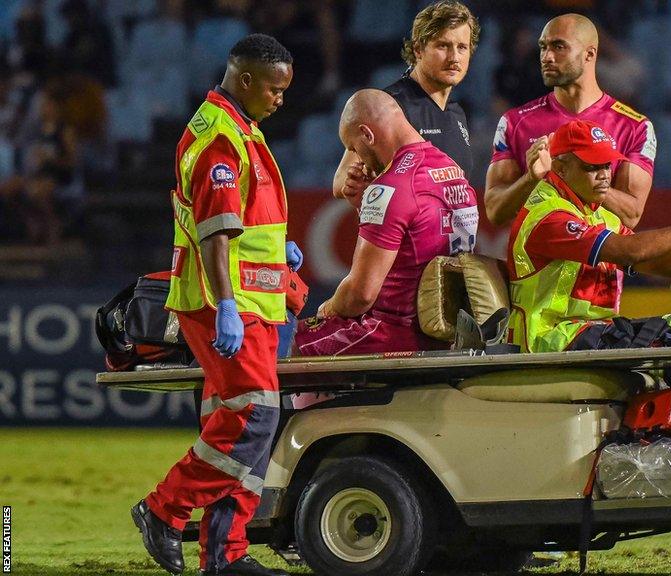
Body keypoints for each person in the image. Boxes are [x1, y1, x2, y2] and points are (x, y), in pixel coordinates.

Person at [131, 34, 300, 576]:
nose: (280, 100)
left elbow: (243, 219)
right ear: (245, 80)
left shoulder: (237, 126)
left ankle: (225, 557)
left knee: (238, 421)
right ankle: (163, 509)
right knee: (255, 416)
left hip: (254, 298)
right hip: (226, 302)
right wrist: (226, 304)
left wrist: (280, 248)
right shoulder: (221, 140)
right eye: (275, 89)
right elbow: (214, 234)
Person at [507, 119, 671, 353]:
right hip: (550, 340)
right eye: (592, 167)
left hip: (593, 333)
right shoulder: (548, 215)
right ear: (560, 169)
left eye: (607, 165)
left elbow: (652, 260)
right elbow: (630, 250)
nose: (605, 175)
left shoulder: (598, 214)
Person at [292, 89, 478, 365]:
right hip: (446, 332)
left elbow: (360, 296)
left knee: (287, 344)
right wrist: (364, 204)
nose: (357, 157)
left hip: (393, 334)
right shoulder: (451, 169)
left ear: (367, 134)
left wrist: (326, 308)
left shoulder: (391, 188)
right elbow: (413, 242)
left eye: (353, 148)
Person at [486, 13, 656, 230]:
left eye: (558, 46)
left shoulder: (635, 127)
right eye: (543, 47)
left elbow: (630, 216)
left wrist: (571, 176)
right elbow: (494, 211)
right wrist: (530, 179)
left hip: (600, 262)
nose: (546, 57)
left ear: (589, 54)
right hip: (538, 263)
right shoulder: (514, 123)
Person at [334, 0, 479, 208]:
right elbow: (340, 181)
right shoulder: (390, 106)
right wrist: (359, 184)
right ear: (418, 49)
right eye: (443, 46)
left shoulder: (457, 112)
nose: (454, 57)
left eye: (462, 47)